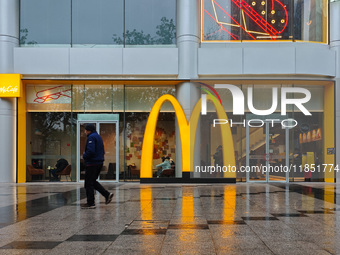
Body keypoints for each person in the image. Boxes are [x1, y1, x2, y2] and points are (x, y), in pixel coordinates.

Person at [81, 123, 113, 209]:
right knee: (92, 181)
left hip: (92, 163)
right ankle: (107, 194)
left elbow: (91, 151)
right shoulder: (98, 136)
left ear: (89, 130)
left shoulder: (91, 137)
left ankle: (91, 203)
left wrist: (84, 156)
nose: (84, 132)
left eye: (85, 130)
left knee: (88, 183)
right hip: (98, 162)